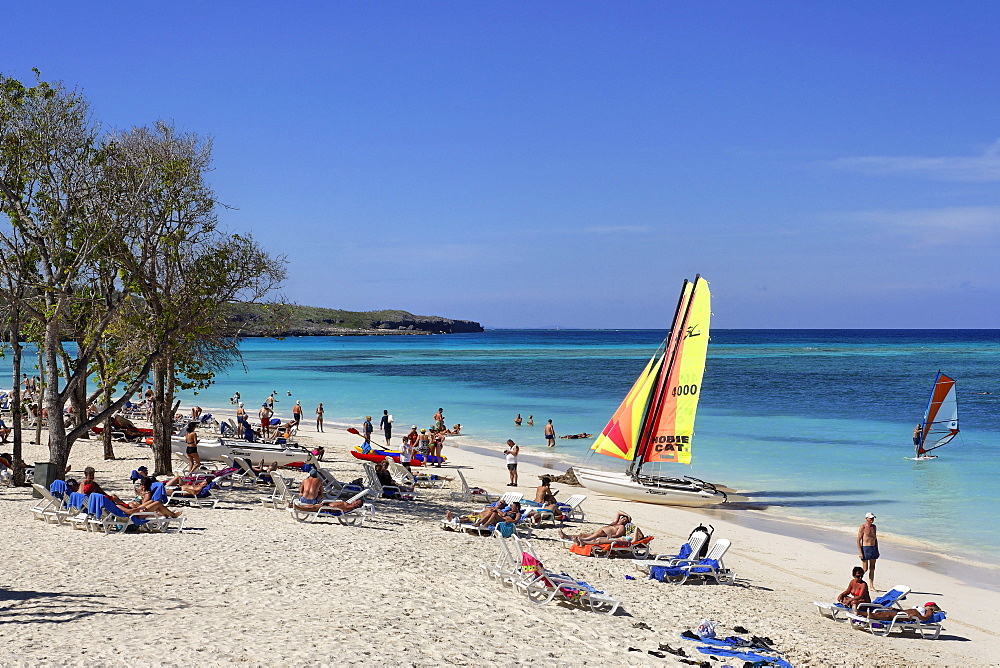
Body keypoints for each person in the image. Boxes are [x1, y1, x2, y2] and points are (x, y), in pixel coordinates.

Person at [294, 471, 365, 513]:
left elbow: (301, 492)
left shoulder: (350, 507)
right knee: (314, 505)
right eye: (356, 500)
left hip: (327, 507)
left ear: (357, 506)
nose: (354, 501)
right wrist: (328, 503)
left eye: (356, 502)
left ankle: (299, 507)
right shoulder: (318, 480)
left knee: (313, 507)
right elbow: (321, 493)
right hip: (323, 503)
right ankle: (296, 506)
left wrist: (329, 505)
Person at [559, 511, 638, 546]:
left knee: (592, 536)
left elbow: (618, 534)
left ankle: (583, 541)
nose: (623, 519)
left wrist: (611, 537)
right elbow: (618, 512)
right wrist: (627, 515)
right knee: (582, 534)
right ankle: (566, 536)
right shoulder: (615, 522)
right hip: (600, 532)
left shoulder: (621, 527)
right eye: (623, 518)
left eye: (625, 520)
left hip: (604, 535)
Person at [860, 602, 943, 623]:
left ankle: (866, 614)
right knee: (884, 614)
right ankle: (861, 613)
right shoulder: (925, 609)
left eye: (927, 605)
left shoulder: (929, 611)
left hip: (909, 616)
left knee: (888, 615)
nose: (925, 606)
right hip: (903, 613)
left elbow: (924, 619)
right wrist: (896, 609)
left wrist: (915, 616)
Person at [858, 512, 879, 590]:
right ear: (866, 518)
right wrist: (860, 552)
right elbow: (858, 540)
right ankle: (858, 581)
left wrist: (877, 549)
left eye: (873, 518)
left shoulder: (874, 527)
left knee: (872, 567)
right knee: (865, 568)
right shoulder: (862, 527)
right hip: (865, 548)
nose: (872, 519)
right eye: (870, 518)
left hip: (873, 548)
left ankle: (871, 586)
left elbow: (875, 538)